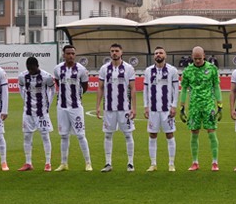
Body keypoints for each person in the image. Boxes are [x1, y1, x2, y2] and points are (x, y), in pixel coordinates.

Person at [180, 46, 223, 171]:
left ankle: (215, 162)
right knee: (194, 133)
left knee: (211, 132)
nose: (197, 61)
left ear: (204, 55)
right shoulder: (188, 70)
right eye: (195, 58)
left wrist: (220, 105)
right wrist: (182, 107)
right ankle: (195, 162)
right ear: (192, 57)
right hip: (194, 107)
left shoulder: (212, 69)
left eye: (199, 58)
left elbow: (216, 87)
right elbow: (183, 89)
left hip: (209, 106)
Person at [96, 43, 138, 172]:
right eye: (112, 51)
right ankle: (108, 163)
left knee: (128, 134)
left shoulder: (128, 68)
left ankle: (130, 163)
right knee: (108, 135)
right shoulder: (104, 69)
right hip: (109, 108)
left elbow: (133, 88)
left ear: (121, 52)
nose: (114, 53)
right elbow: (100, 87)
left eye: (117, 51)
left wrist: (134, 108)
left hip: (124, 108)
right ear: (110, 53)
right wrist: (97, 106)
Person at [53, 44, 93, 171]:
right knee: (64, 135)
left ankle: (88, 163)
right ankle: (64, 163)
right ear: (64, 55)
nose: (71, 56)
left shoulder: (81, 69)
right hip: (62, 107)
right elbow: (58, 83)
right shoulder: (58, 69)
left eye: (73, 54)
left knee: (81, 135)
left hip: (76, 107)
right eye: (68, 53)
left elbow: (85, 87)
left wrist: (77, 97)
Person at [143, 46, 180, 171]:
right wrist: (146, 106)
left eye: (160, 53)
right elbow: (145, 90)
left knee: (169, 134)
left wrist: (174, 106)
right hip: (153, 109)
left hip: (167, 109)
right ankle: (153, 164)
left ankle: (171, 163)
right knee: (152, 135)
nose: (158, 55)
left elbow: (176, 90)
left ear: (165, 55)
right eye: (156, 53)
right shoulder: (148, 71)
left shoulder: (172, 70)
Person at [18, 56, 54, 171]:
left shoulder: (46, 77)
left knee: (44, 135)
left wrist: (48, 104)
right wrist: (25, 101)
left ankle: (48, 163)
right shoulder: (23, 76)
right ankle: (28, 163)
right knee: (27, 136)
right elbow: (21, 87)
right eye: (28, 69)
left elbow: (52, 90)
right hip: (28, 112)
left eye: (32, 68)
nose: (30, 71)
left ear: (37, 66)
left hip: (41, 112)